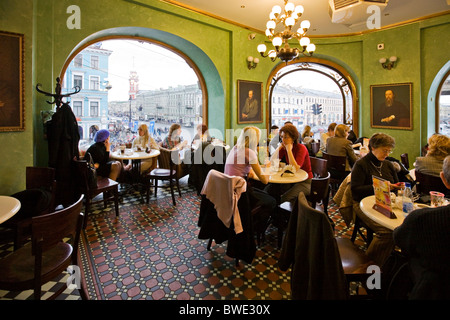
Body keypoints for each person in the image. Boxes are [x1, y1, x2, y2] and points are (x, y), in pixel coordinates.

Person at [393, 155, 450, 299]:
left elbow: (398, 238)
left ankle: (375, 285)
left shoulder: (422, 219)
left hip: (429, 290)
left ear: (444, 179)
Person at [351, 132, 403, 266]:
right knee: (387, 231)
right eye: (385, 150)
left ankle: (392, 263)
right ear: (373, 147)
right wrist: (381, 187)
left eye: (389, 150)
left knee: (404, 227)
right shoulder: (361, 164)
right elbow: (355, 190)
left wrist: (397, 187)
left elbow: (395, 187)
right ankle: (368, 267)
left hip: (386, 204)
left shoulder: (388, 165)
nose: (387, 154)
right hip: (363, 204)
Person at [224, 126, 277, 229]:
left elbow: (249, 171)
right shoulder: (249, 152)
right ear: (254, 139)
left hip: (229, 189)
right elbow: (265, 180)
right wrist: (269, 170)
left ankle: (255, 223)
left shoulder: (236, 148)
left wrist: (256, 169)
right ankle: (257, 227)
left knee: (263, 192)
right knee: (272, 200)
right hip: (240, 193)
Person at [265, 124, 313, 204]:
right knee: (272, 189)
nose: (283, 140)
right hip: (291, 180)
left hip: (305, 182)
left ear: (293, 138)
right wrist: (279, 148)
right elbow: (272, 161)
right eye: (282, 137)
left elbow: (295, 168)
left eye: (286, 137)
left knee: (284, 198)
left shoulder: (301, 148)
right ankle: (274, 214)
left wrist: (289, 151)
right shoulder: (285, 147)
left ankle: (286, 215)